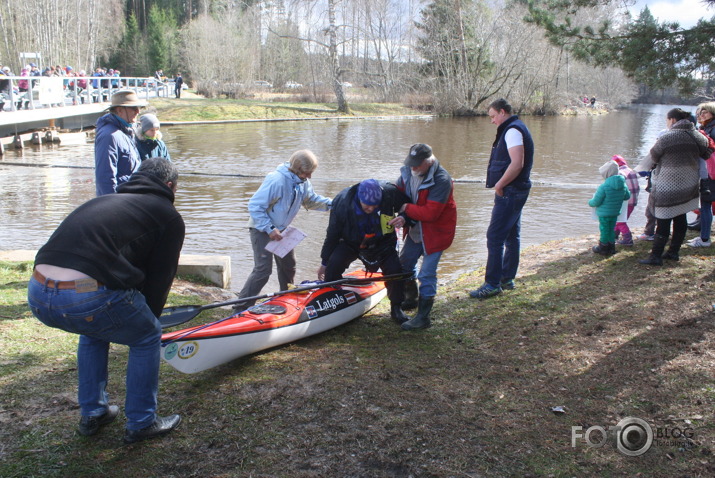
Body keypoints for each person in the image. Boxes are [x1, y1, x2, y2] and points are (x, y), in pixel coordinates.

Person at [27, 158, 184, 444]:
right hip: (83, 294)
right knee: (147, 336)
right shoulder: (166, 214)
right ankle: (141, 422)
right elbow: (161, 277)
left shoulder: (108, 200)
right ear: (170, 186)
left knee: (94, 328)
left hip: (39, 290)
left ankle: (94, 412)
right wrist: (150, 318)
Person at [236, 150, 332, 308]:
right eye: (307, 173)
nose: (310, 177)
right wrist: (270, 229)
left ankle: (285, 299)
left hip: (283, 230)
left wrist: (334, 204)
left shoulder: (303, 182)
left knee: (288, 266)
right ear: (297, 168)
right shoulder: (277, 180)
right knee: (263, 271)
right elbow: (254, 206)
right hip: (262, 229)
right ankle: (240, 307)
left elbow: (310, 200)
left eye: (311, 173)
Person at [318, 179, 411, 324]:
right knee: (334, 264)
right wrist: (324, 262)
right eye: (367, 206)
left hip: (382, 243)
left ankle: (396, 308)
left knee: (395, 270)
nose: (372, 209)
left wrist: (404, 217)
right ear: (359, 199)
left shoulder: (389, 193)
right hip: (352, 242)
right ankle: (332, 299)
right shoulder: (342, 202)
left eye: (375, 206)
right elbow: (332, 234)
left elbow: (408, 206)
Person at [470, 98, 533, 300]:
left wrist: (499, 184)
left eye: (493, 116)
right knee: (512, 235)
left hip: (511, 191)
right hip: (516, 190)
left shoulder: (513, 130)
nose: (492, 121)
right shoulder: (515, 128)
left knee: (495, 237)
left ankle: (492, 284)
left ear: (503, 112)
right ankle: (506, 278)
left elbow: (517, 163)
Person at [389, 143, 457, 330]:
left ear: (429, 161)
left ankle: (423, 318)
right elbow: (401, 198)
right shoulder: (407, 174)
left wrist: (406, 209)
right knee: (404, 264)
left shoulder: (442, 179)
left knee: (427, 274)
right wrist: (403, 216)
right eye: (411, 163)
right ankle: (412, 298)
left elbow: (431, 213)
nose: (413, 167)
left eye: (417, 164)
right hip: (416, 230)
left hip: (436, 233)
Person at [639, 108, 711, 266]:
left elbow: (651, 159)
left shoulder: (667, 137)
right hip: (690, 184)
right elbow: (706, 154)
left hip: (668, 185)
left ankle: (655, 256)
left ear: (672, 120)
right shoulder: (699, 136)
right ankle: (673, 252)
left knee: (663, 219)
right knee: (680, 216)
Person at [94, 90, 145, 196]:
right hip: (119, 202)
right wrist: (112, 206)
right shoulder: (109, 136)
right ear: (119, 110)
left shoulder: (125, 131)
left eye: (138, 108)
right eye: (133, 108)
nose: (138, 111)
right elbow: (105, 178)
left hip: (130, 199)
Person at [687, 102, 715, 248]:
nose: (700, 115)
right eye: (699, 113)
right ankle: (702, 233)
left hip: (712, 173)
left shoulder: (713, 129)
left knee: (706, 204)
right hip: (708, 171)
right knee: (705, 204)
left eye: (704, 112)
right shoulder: (705, 128)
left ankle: (704, 239)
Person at [589, 160, 631, 255]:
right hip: (615, 212)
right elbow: (627, 196)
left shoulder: (604, 186)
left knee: (604, 229)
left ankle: (603, 248)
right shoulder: (623, 185)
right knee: (611, 229)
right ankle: (611, 248)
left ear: (606, 174)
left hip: (604, 214)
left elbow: (596, 201)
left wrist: (590, 202)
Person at [612, 155, 640, 246]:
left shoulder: (619, 173)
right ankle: (614, 235)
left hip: (625, 202)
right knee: (619, 219)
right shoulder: (631, 171)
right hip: (633, 200)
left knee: (620, 221)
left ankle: (628, 239)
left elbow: (617, 189)